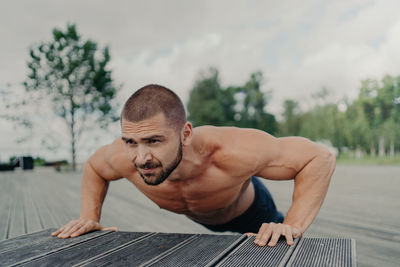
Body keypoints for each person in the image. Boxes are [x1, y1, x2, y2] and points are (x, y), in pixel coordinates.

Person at [52, 84, 336, 247]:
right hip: (200, 215)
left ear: (185, 134)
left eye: (153, 141)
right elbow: (94, 168)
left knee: (279, 244)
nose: (141, 157)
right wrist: (90, 216)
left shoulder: (232, 150)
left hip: (249, 210)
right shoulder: (120, 156)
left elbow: (319, 158)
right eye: (131, 141)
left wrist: (293, 225)